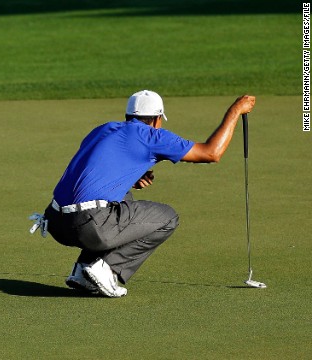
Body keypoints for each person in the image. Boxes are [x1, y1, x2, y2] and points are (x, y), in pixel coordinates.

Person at [29, 90, 256, 297]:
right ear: (157, 119)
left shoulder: (103, 129)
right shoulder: (152, 136)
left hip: (57, 222)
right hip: (89, 226)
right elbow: (211, 153)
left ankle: (82, 271)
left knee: (124, 195)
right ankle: (107, 268)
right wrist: (235, 110)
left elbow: (92, 168)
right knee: (168, 218)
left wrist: (129, 177)